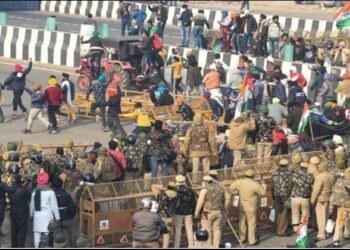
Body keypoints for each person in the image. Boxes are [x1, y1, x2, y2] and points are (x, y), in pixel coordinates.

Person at [230, 169, 266, 246]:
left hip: (242, 206)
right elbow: (262, 193)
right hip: (251, 207)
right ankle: (252, 240)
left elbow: (231, 188)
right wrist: (263, 185)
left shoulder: (240, 182)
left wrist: (236, 192)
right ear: (253, 176)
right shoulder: (255, 184)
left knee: (242, 223)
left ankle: (242, 238)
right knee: (251, 224)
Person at [180, 113, 216, 183]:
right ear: (202, 119)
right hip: (205, 150)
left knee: (195, 168)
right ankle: (207, 181)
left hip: (194, 151)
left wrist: (184, 150)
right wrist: (213, 151)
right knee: (206, 168)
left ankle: (195, 181)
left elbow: (187, 140)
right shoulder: (207, 128)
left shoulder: (190, 129)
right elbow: (211, 140)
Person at [30, 171, 60, 248]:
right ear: (47, 181)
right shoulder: (50, 192)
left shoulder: (34, 192)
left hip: (37, 216)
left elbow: (32, 206)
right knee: (47, 237)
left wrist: (31, 214)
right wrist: (57, 217)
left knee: (37, 234)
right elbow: (54, 206)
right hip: (48, 216)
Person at [194, 175, 225, 248]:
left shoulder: (204, 190)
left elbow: (200, 203)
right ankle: (216, 246)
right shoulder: (220, 188)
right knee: (217, 229)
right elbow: (223, 200)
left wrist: (196, 213)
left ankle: (209, 246)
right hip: (218, 211)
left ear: (206, 182)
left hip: (207, 212)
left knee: (207, 230)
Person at [310, 162, 334, 242]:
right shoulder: (331, 175)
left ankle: (321, 234)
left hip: (321, 199)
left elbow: (316, 190)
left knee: (321, 218)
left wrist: (312, 200)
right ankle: (324, 232)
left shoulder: (320, 176)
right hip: (328, 198)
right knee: (326, 216)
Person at [7, 167, 30, 248]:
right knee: (22, 232)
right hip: (23, 213)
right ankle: (21, 246)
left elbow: (9, 199)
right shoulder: (24, 190)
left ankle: (14, 246)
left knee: (14, 231)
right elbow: (28, 198)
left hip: (13, 213)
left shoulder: (11, 190)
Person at [288, 162, 314, 233]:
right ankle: (303, 229)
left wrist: (289, 194)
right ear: (306, 168)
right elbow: (312, 185)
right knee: (305, 215)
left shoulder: (294, 175)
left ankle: (296, 229)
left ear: (300, 167)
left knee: (295, 213)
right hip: (305, 198)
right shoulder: (310, 176)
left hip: (295, 197)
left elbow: (290, 185)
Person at [151, 182, 177, 248]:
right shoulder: (176, 195)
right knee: (166, 235)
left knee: (157, 233)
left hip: (160, 217)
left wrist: (162, 187)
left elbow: (153, 186)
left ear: (168, 187)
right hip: (170, 217)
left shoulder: (161, 195)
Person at [51, 177, 76, 247]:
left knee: (56, 234)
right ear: (62, 185)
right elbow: (72, 208)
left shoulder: (52, 194)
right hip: (66, 218)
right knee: (68, 234)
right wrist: (71, 216)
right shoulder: (66, 195)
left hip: (55, 219)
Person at [173, 175, 197, 248]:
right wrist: (193, 212)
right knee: (189, 229)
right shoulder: (190, 190)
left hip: (178, 213)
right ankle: (191, 245)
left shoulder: (175, 190)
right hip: (188, 213)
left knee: (178, 230)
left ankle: (176, 246)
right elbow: (194, 202)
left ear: (177, 181)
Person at [329, 168, 350, 248]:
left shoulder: (339, 182)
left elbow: (333, 194)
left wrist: (331, 206)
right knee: (348, 220)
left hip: (342, 207)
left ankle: (336, 240)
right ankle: (347, 234)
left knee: (339, 222)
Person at [272, 159, 292, 237]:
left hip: (276, 196)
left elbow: (272, 186)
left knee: (278, 213)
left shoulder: (274, 173)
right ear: (287, 165)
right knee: (285, 214)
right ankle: (281, 231)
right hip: (285, 197)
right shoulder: (289, 174)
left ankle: (277, 228)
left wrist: (273, 196)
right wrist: (288, 195)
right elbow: (290, 186)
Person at [0, 167, 17, 236]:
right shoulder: (2, 184)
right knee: (1, 217)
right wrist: (14, 182)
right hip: (0, 204)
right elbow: (12, 190)